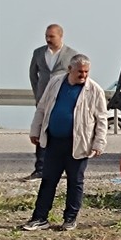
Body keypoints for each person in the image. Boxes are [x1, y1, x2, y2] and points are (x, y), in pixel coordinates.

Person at [22, 55, 106, 232]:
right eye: (80, 72)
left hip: (78, 143)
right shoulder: (55, 83)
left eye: (86, 72)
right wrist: (35, 130)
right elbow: (42, 108)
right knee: (48, 180)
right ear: (70, 69)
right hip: (54, 141)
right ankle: (40, 218)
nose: (83, 75)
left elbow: (102, 119)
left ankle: (70, 219)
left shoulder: (95, 90)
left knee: (75, 182)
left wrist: (99, 143)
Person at [27, 24, 79, 180]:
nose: (48, 39)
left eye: (51, 36)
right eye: (46, 36)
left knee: (63, 133)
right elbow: (33, 75)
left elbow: (75, 76)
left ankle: (65, 168)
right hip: (43, 99)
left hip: (62, 100)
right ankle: (40, 168)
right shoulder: (38, 53)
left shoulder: (71, 54)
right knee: (41, 132)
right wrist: (38, 94)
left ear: (60, 36)